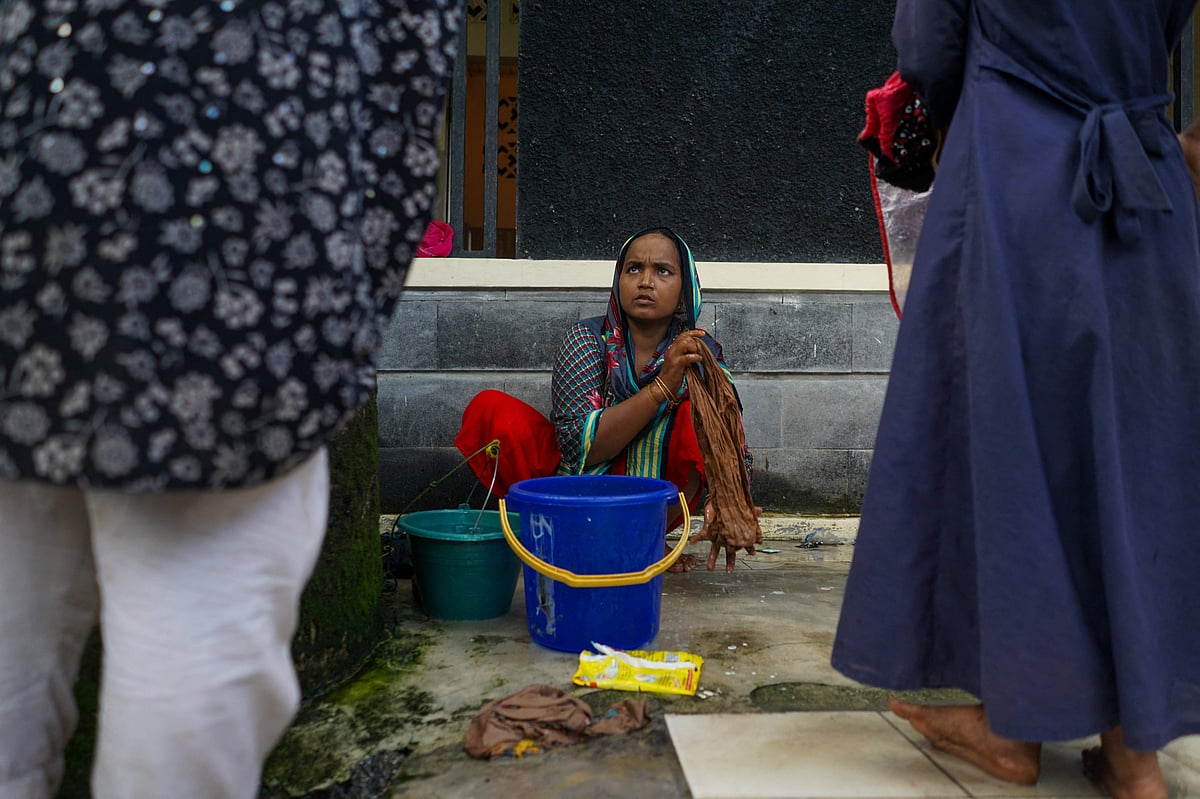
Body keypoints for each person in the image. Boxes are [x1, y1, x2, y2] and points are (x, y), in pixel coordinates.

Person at [0, 2, 461, 797]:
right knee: (177, 696)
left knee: (147, 705)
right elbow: (406, 78)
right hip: (234, 279)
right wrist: (336, 311)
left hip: (164, 276)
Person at [831, 2, 1200, 798]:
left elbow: (928, 45)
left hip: (1014, 173)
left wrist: (960, 111)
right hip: (1141, 176)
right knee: (1129, 452)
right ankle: (1133, 756)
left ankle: (1012, 730)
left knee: (1009, 437)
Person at [455, 227, 755, 572]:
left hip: (656, 489)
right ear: (618, 280)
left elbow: (733, 446)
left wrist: (730, 501)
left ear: (684, 292)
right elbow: (577, 448)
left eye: (662, 271)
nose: (645, 282)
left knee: (696, 416)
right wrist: (662, 387)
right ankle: (565, 529)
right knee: (492, 409)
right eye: (634, 269)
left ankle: (644, 539)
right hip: (574, 486)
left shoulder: (699, 355)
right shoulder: (586, 339)